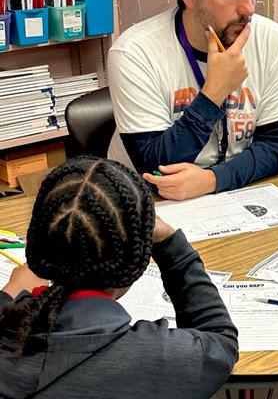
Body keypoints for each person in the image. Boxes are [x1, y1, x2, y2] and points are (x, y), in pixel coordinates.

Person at [0, 157, 238, 398]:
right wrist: (170, 245)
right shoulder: (158, 356)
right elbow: (220, 341)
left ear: (40, 246)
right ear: (135, 261)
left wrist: (8, 294)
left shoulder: (9, 337)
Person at [108, 0, 278, 201]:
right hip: (146, 203)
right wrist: (214, 93)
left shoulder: (273, 40)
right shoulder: (135, 53)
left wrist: (212, 180)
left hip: (229, 194)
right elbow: (155, 167)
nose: (248, 8)